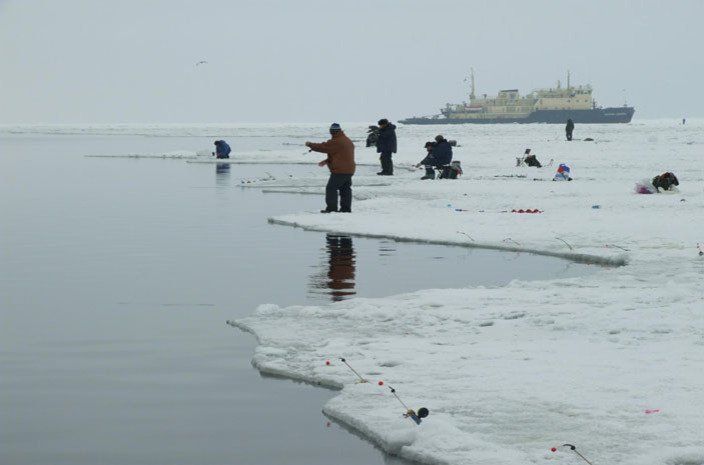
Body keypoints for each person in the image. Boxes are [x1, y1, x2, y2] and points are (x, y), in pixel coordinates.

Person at [305, 123, 356, 213]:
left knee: (331, 188)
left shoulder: (337, 141)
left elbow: (324, 147)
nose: (332, 132)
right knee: (345, 189)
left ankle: (332, 209)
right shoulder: (346, 140)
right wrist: (327, 161)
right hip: (349, 169)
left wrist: (310, 144)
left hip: (340, 170)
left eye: (333, 131)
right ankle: (345, 209)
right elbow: (340, 155)